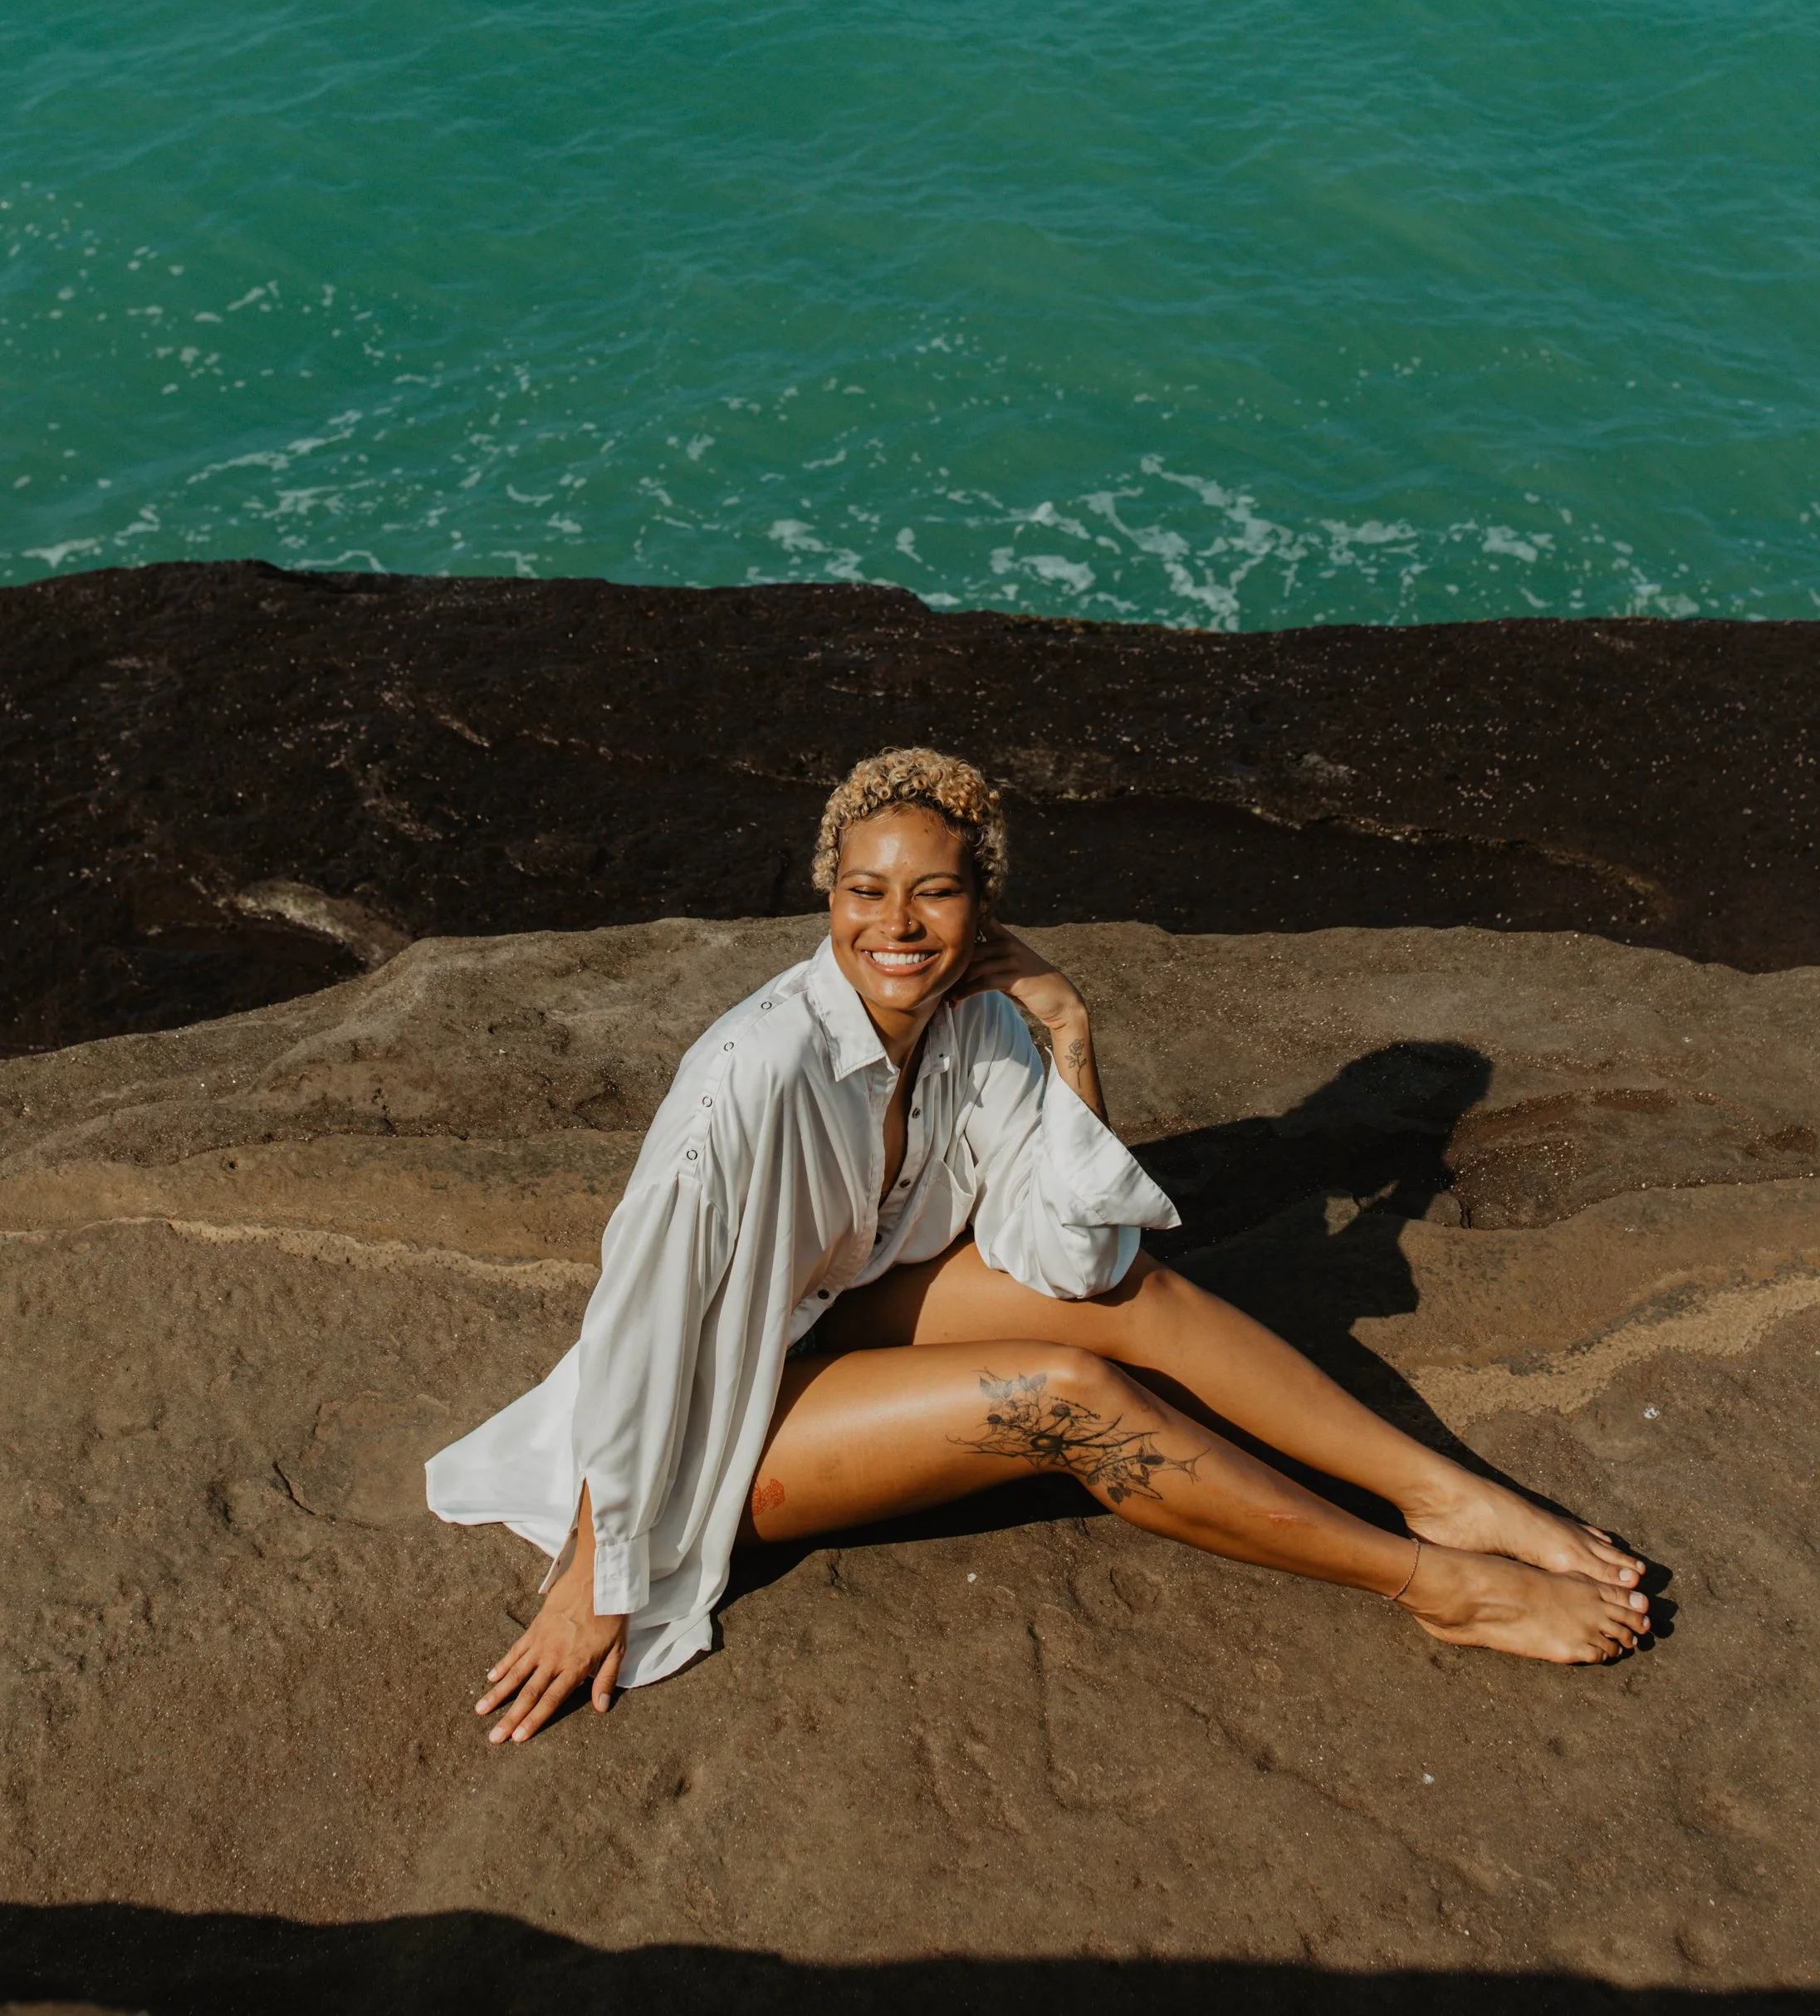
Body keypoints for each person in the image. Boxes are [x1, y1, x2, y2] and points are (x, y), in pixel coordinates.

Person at [432, 747, 1648, 1744]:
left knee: (1133, 1297)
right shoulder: (750, 1078)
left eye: (934, 892)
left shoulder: (979, 1021)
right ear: (828, 893)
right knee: (1068, 1394)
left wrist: (1067, 1026)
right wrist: (603, 1574)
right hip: (705, 1427)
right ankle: (1435, 1582)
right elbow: (641, 1328)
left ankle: (1444, 1491)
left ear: (985, 905)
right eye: (865, 888)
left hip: (814, 1326)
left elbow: (1078, 1264)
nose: (895, 924)